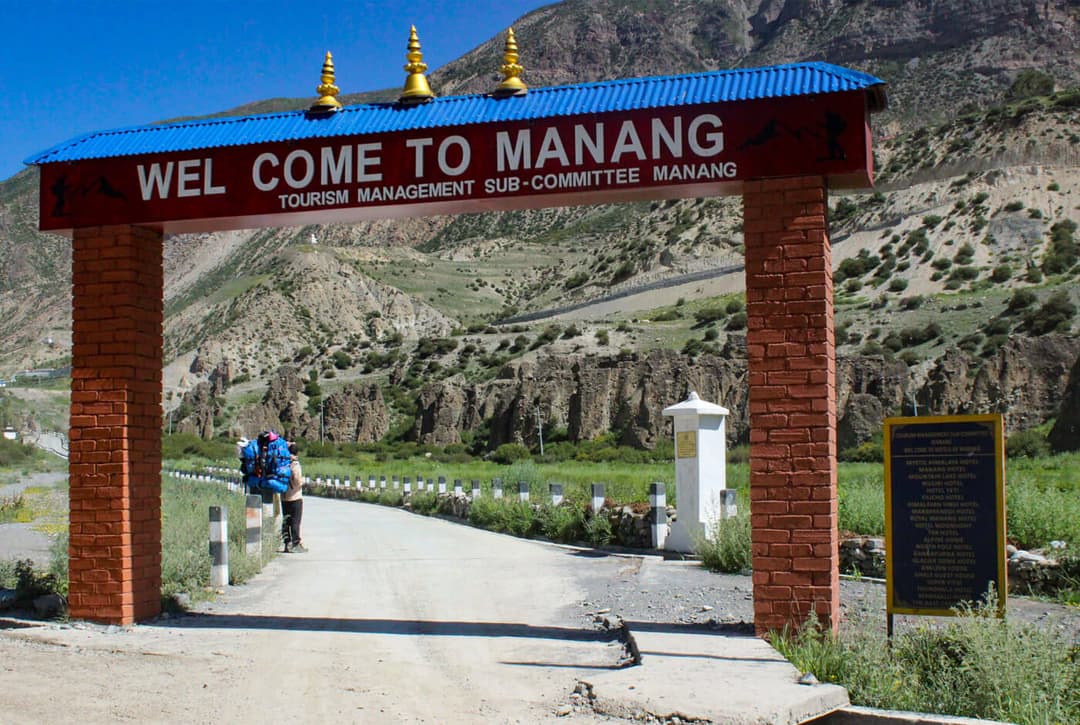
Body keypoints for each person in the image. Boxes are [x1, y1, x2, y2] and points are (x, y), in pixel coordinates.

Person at [282, 442, 307, 553]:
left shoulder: (283, 463)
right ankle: (296, 544)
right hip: (295, 497)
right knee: (295, 521)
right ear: (297, 453)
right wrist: (303, 480)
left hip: (284, 496)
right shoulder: (295, 465)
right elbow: (297, 482)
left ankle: (287, 544)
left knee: (286, 521)